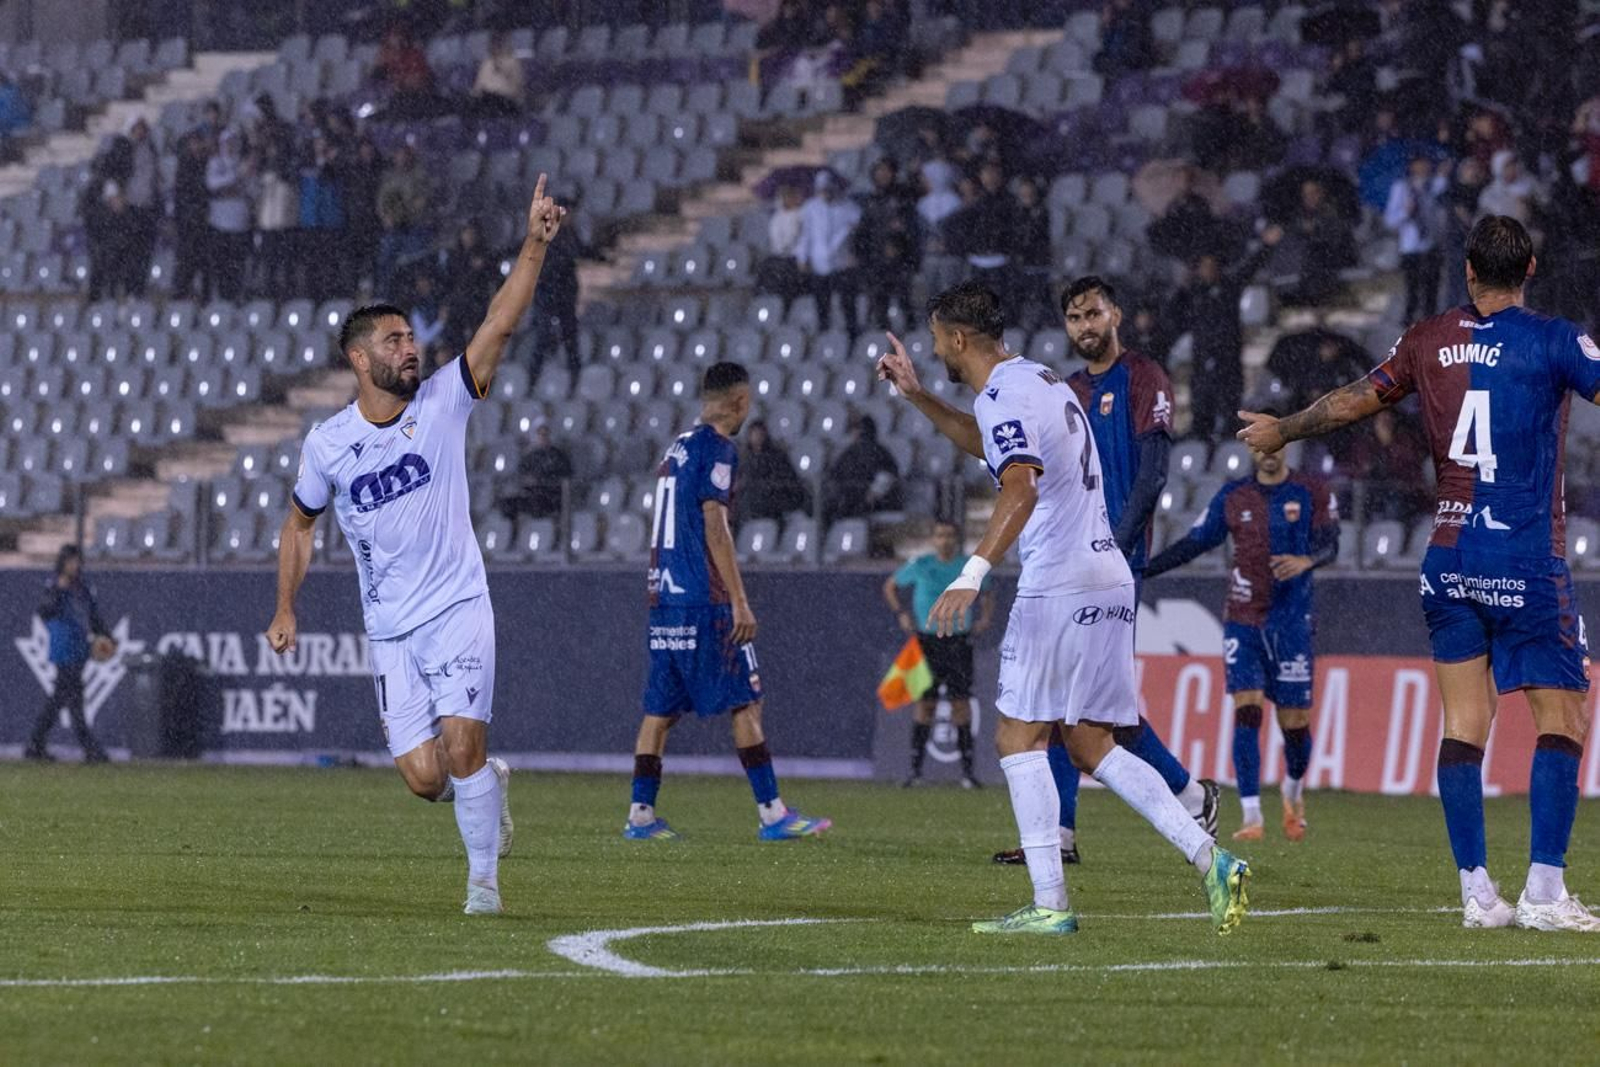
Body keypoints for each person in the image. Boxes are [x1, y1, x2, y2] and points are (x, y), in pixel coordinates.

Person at [1238, 215, 1600, 932]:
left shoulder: (1427, 338)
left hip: (1448, 555)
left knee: (1464, 721)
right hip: (1523, 553)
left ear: (1468, 270)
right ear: (1530, 269)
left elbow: (1351, 401)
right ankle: (1545, 889)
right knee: (1564, 716)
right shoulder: (1557, 339)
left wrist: (1283, 428)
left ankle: (1477, 892)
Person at [876, 282, 1250, 935]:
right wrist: (917, 394)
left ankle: (1050, 903)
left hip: (1060, 582)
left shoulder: (1003, 395)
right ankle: (1212, 859)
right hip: (1107, 574)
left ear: (958, 339)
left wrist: (971, 573)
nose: (934, 350)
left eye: (936, 339)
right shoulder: (1040, 380)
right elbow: (988, 443)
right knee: (1089, 742)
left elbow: (1020, 485)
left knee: (1016, 736)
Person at [266, 177, 567, 917]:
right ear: (359, 360)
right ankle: (485, 785)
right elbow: (299, 525)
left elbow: (498, 324)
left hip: (458, 605)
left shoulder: (441, 401)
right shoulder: (328, 444)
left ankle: (483, 885)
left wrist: (534, 243)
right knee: (427, 778)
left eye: (410, 338)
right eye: (394, 341)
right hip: (390, 628)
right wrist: (286, 607)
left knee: (461, 748)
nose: (411, 348)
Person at [992, 277, 1218, 869]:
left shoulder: (1144, 378)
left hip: (1113, 560)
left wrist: (1115, 545)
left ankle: (1186, 796)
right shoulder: (1066, 390)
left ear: (1115, 314)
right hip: (1073, 561)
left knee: (1089, 707)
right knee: (1078, 703)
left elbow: (1153, 473)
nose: (1085, 326)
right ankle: (1074, 830)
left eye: (1093, 313)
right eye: (1074, 318)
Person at [623, 362, 832, 842]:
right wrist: (739, 600)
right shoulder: (719, 448)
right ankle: (773, 814)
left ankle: (640, 816)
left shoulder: (677, 447)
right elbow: (715, 526)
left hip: (664, 598)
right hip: (704, 599)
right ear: (740, 401)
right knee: (747, 701)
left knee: (660, 712)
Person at [1145, 445, 1339, 840]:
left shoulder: (1310, 491)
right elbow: (1195, 542)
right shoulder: (1234, 496)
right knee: (1247, 709)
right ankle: (1251, 815)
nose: (1269, 453)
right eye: (1262, 447)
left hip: (1292, 622)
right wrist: (1145, 569)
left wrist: (1307, 561)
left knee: (1295, 725)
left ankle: (1292, 788)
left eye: (1276, 445)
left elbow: (1331, 544)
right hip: (1243, 619)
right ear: (1252, 449)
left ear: (1286, 448)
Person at [883, 519, 994, 787]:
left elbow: (988, 592)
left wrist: (985, 618)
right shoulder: (921, 564)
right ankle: (915, 772)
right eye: (940, 535)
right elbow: (890, 586)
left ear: (956, 539)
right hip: (927, 641)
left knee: (961, 705)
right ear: (933, 540)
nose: (945, 540)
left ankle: (968, 774)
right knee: (925, 705)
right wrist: (901, 613)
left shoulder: (968, 566)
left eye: (949, 535)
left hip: (958, 640)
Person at [26, 546, 113, 764]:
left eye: (76, 561)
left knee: (59, 699)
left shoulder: (82, 589)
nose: (75, 565)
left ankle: (35, 743)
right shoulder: (56, 586)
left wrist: (107, 636)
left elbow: (93, 617)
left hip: (79, 648)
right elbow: (44, 611)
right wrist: (57, 591)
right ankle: (90, 748)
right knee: (73, 699)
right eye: (71, 561)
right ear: (62, 563)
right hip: (64, 648)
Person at [1385, 156, 1448, 323]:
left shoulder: (1435, 185)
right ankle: (1409, 318)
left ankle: (1430, 321)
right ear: (1412, 166)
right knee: (1412, 287)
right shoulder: (1401, 188)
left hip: (1432, 243)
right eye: (1419, 164)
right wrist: (1405, 212)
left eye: (1426, 163)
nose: (1423, 167)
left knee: (1432, 287)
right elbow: (1390, 220)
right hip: (1410, 245)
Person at [798, 171, 861, 337]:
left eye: (827, 189)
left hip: (842, 262)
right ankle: (824, 334)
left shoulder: (848, 207)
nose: (825, 193)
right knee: (822, 302)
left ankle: (852, 334)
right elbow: (806, 235)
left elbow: (855, 230)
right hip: (820, 262)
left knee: (847, 301)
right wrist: (802, 257)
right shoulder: (811, 208)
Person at [822, 413, 901, 523]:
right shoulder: (851, 452)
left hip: (867, 505)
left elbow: (886, 477)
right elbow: (835, 476)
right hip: (851, 502)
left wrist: (871, 495)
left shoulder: (877, 452)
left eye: (855, 429)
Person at [733, 419, 810, 525]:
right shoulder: (745, 459)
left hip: (771, 507)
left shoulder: (776, 457)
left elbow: (785, 483)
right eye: (754, 434)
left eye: (759, 434)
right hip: (748, 510)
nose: (757, 437)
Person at [499, 420, 572, 522]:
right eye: (540, 434)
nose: (543, 437)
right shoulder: (530, 455)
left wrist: (542, 480)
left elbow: (564, 476)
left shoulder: (558, 455)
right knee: (508, 503)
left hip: (550, 496)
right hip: (532, 493)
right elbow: (522, 474)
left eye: (545, 434)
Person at [757, 183, 807, 309]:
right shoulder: (777, 216)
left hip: (794, 257)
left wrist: (785, 249)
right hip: (778, 255)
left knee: (787, 275)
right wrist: (780, 250)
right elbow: (775, 237)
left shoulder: (800, 215)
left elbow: (795, 236)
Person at [471, 31, 524, 117]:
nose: (497, 45)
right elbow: (477, 89)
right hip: (485, 104)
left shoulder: (513, 63)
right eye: (495, 42)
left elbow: (516, 90)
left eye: (500, 42)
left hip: (506, 105)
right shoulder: (487, 63)